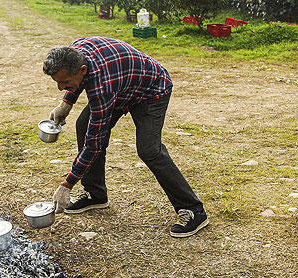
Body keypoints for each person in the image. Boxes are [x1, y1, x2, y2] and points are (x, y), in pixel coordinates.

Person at [42, 37, 208, 238]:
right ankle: (95, 194)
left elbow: (94, 144)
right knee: (83, 125)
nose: (60, 87)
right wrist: (66, 104)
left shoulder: (102, 86)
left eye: (64, 82)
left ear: (83, 69)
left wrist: (67, 184)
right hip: (122, 86)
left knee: (149, 150)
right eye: (57, 82)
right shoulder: (76, 51)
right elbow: (78, 82)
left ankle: (193, 211)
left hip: (151, 90)